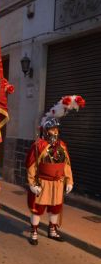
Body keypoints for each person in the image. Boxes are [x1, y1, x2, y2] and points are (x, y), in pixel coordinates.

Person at [25, 95, 85, 245]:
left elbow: (67, 165)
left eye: (56, 128)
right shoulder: (38, 146)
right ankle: (34, 231)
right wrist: (32, 184)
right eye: (52, 129)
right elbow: (32, 165)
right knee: (37, 209)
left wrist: (69, 181)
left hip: (58, 183)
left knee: (55, 208)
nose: (55, 132)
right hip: (43, 183)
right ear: (46, 130)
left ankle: (52, 230)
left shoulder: (62, 145)